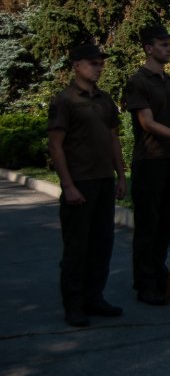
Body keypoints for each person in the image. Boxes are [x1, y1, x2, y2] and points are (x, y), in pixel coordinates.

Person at [47, 44, 128, 327]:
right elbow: (55, 146)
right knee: (77, 248)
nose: (99, 68)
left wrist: (121, 176)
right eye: (93, 63)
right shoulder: (65, 100)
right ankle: (74, 305)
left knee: (102, 245)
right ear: (76, 65)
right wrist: (68, 185)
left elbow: (113, 138)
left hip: (104, 181)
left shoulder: (105, 100)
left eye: (101, 63)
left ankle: (95, 298)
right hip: (80, 182)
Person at [123, 24, 170, 305]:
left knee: (166, 224)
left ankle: (160, 277)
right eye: (163, 44)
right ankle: (145, 284)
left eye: (169, 44)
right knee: (148, 227)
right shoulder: (138, 82)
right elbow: (146, 122)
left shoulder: (169, 82)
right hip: (149, 161)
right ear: (148, 48)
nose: (169, 48)